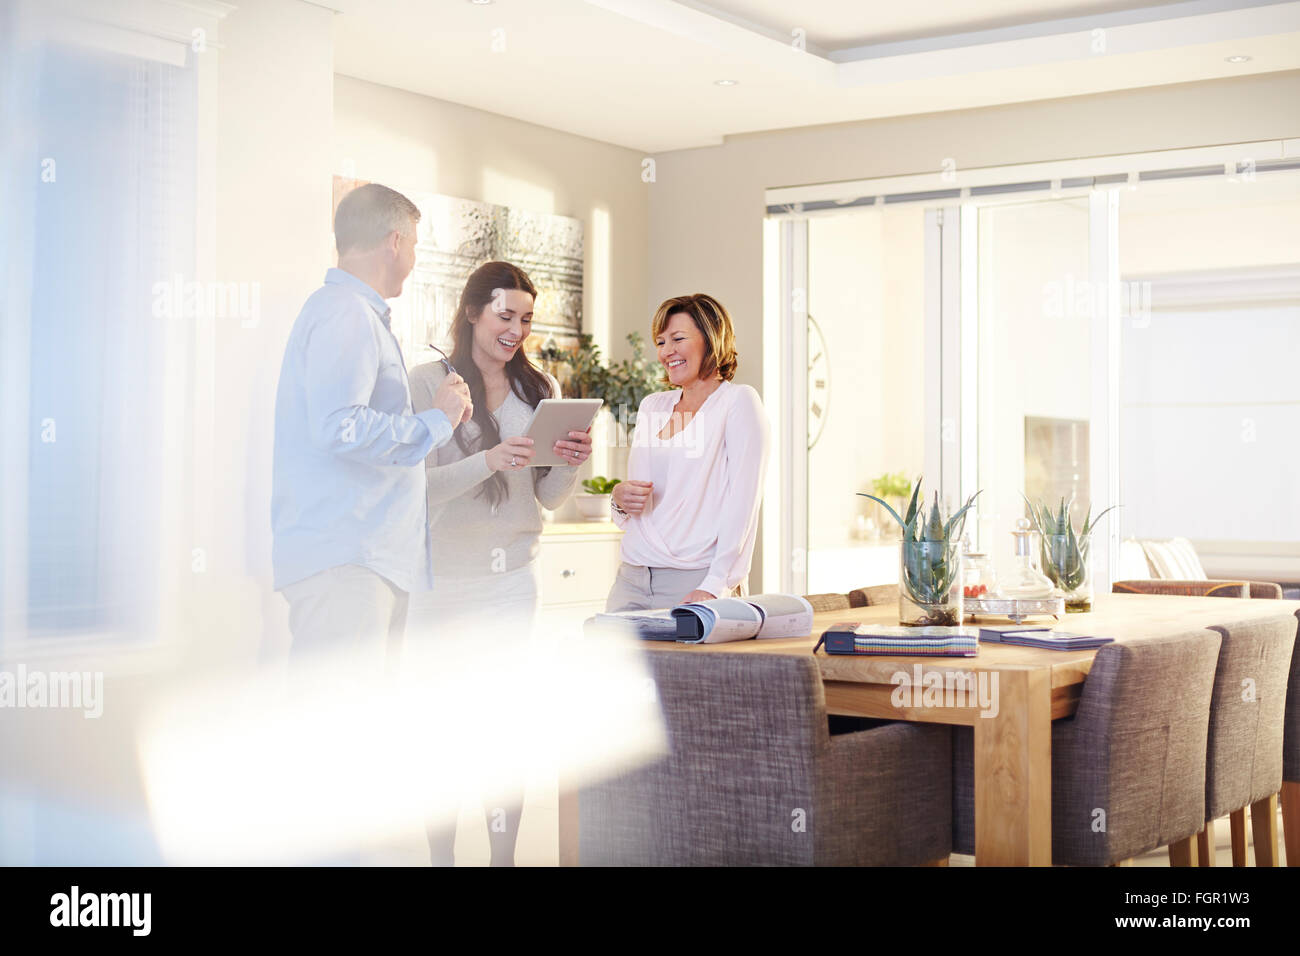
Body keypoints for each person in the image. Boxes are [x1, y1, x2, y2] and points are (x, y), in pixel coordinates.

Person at [407, 260, 592, 866]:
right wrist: (487, 462)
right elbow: (416, 491)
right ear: (471, 312)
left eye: (526, 319)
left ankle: (502, 861)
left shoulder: (540, 391)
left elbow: (548, 497)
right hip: (440, 586)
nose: (516, 331)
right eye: (504, 316)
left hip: (510, 584)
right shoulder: (425, 383)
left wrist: (570, 458)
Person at [271, 183, 472, 674]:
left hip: (363, 560)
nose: (414, 259)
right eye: (416, 245)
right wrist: (438, 420)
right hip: (350, 561)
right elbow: (340, 428)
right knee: (336, 726)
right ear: (394, 241)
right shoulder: (346, 313)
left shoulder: (348, 312)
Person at [606, 294, 770, 612]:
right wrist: (619, 498)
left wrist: (716, 585)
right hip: (632, 576)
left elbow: (744, 505)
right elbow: (638, 504)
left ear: (711, 340)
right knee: (609, 662)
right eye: (661, 341)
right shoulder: (654, 405)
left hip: (694, 581)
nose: (667, 352)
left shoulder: (738, 403)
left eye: (678, 339)